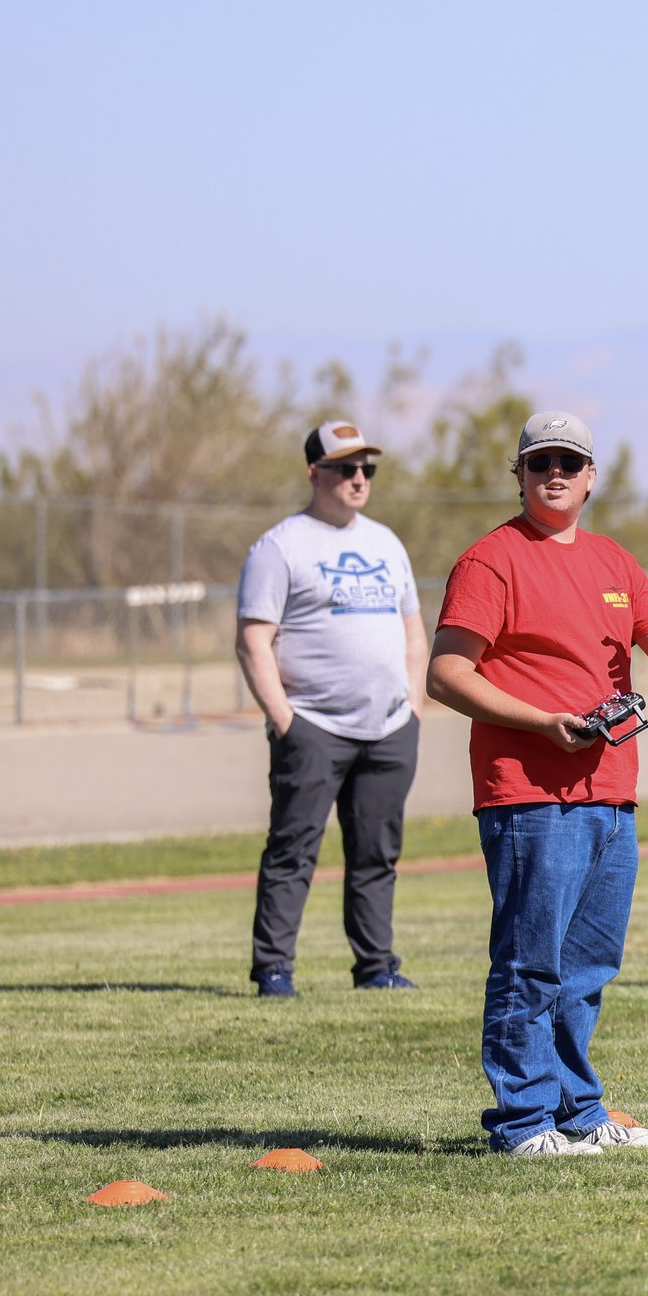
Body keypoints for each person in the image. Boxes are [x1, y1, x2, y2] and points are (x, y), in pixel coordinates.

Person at [425, 411, 648, 1159]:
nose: (556, 472)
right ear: (518, 474)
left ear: (591, 477)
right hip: (529, 793)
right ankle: (521, 1123)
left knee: (586, 968)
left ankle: (579, 1110)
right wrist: (543, 722)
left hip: (612, 789)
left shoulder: (614, 561)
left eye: (569, 462)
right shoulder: (491, 560)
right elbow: (446, 673)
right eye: (541, 460)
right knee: (530, 961)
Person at [235, 419, 427, 999]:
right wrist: (285, 720)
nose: (359, 478)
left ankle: (376, 967)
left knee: (377, 853)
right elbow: (252, 641)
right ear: (315, 473)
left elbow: (414, 632)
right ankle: (274, 970)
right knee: (293, 850)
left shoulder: (385, 542)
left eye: (367, 467)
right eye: (346, 468)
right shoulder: (280, 546)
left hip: (390, 727)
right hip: (314, 727)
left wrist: (414, 706)